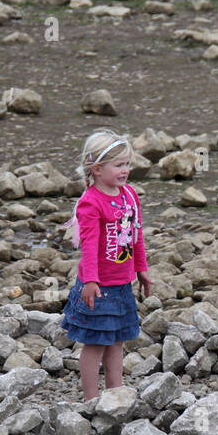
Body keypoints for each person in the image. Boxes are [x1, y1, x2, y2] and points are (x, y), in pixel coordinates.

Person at [61, 129, 153, 399]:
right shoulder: (91, 203)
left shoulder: (129, 196)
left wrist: (142, 269)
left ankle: (115, 390)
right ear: (97, 169)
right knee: (94, 343)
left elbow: (137, 234)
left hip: (122, 283)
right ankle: (90, 398)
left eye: (127, 164)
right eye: (119, 165)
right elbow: (89, 246)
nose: (125, 170)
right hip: (98, 286)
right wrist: (90, 281)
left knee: (117, 340)